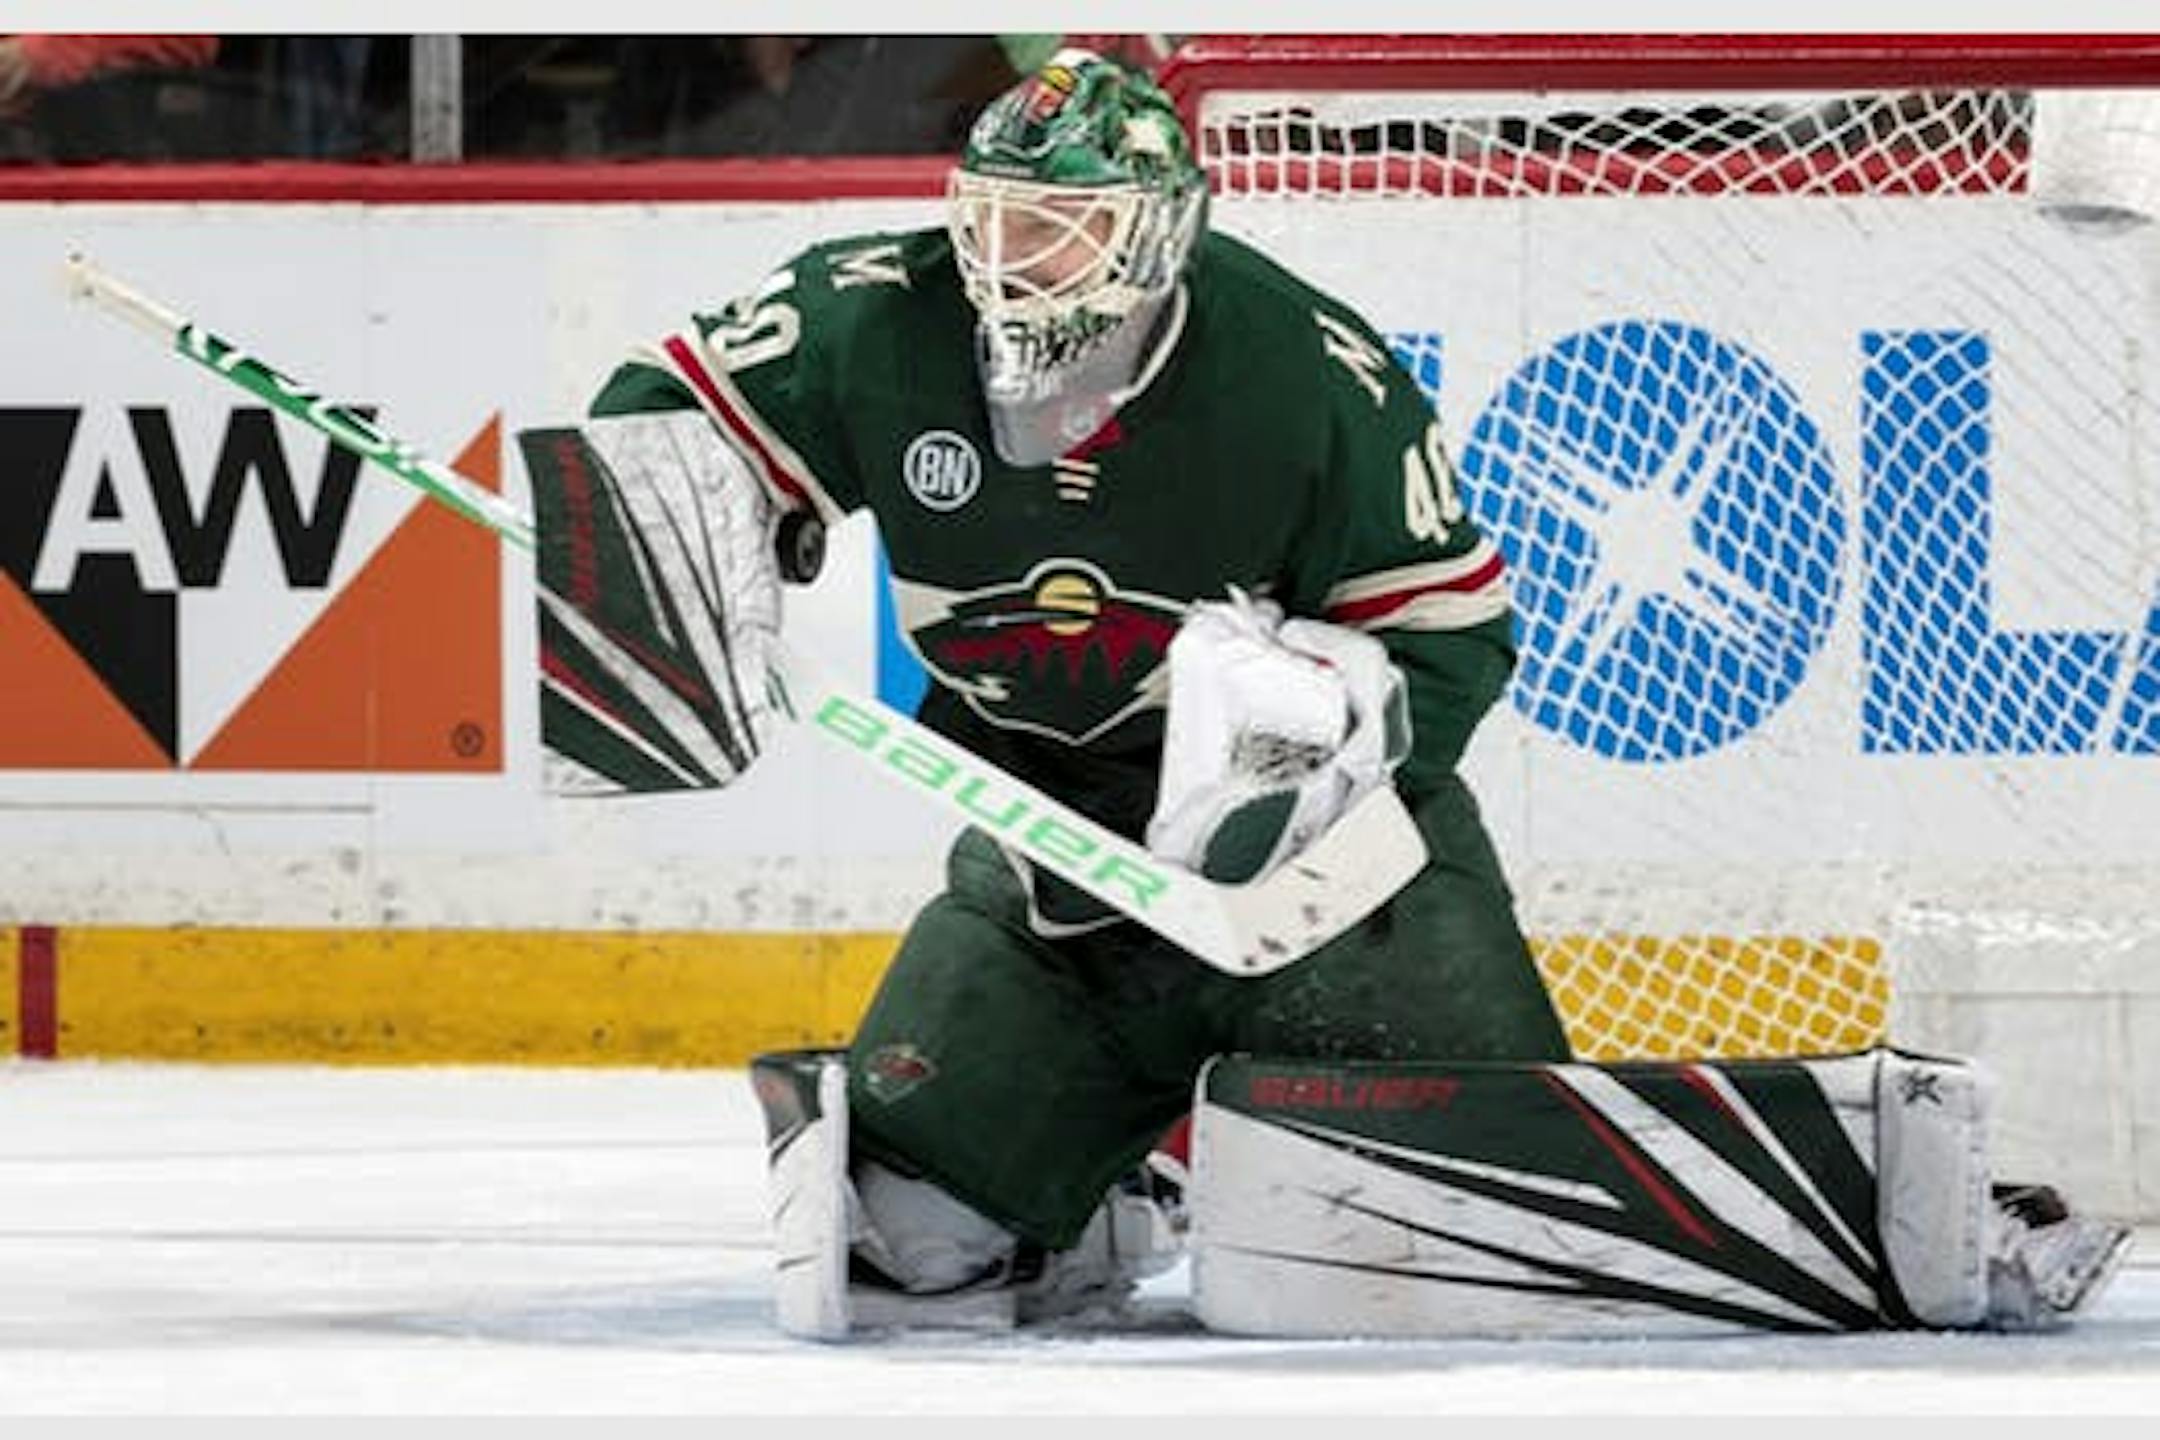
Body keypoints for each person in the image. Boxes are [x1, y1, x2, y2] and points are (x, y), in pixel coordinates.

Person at [547, 47, 1573, 1329]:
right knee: (909, 1243)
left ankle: (1222, 1122)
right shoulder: (877, 316)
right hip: (1055, 871)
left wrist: (1322, 732)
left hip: (1336, 895)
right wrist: (676, 540)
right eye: (994, 218)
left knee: (1513, 1231)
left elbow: (1452, 637)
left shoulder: (1309, 376)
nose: (1009, 258)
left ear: (1159, 236)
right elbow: (659, 415)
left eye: (1060, 227)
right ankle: (1120, 1188)